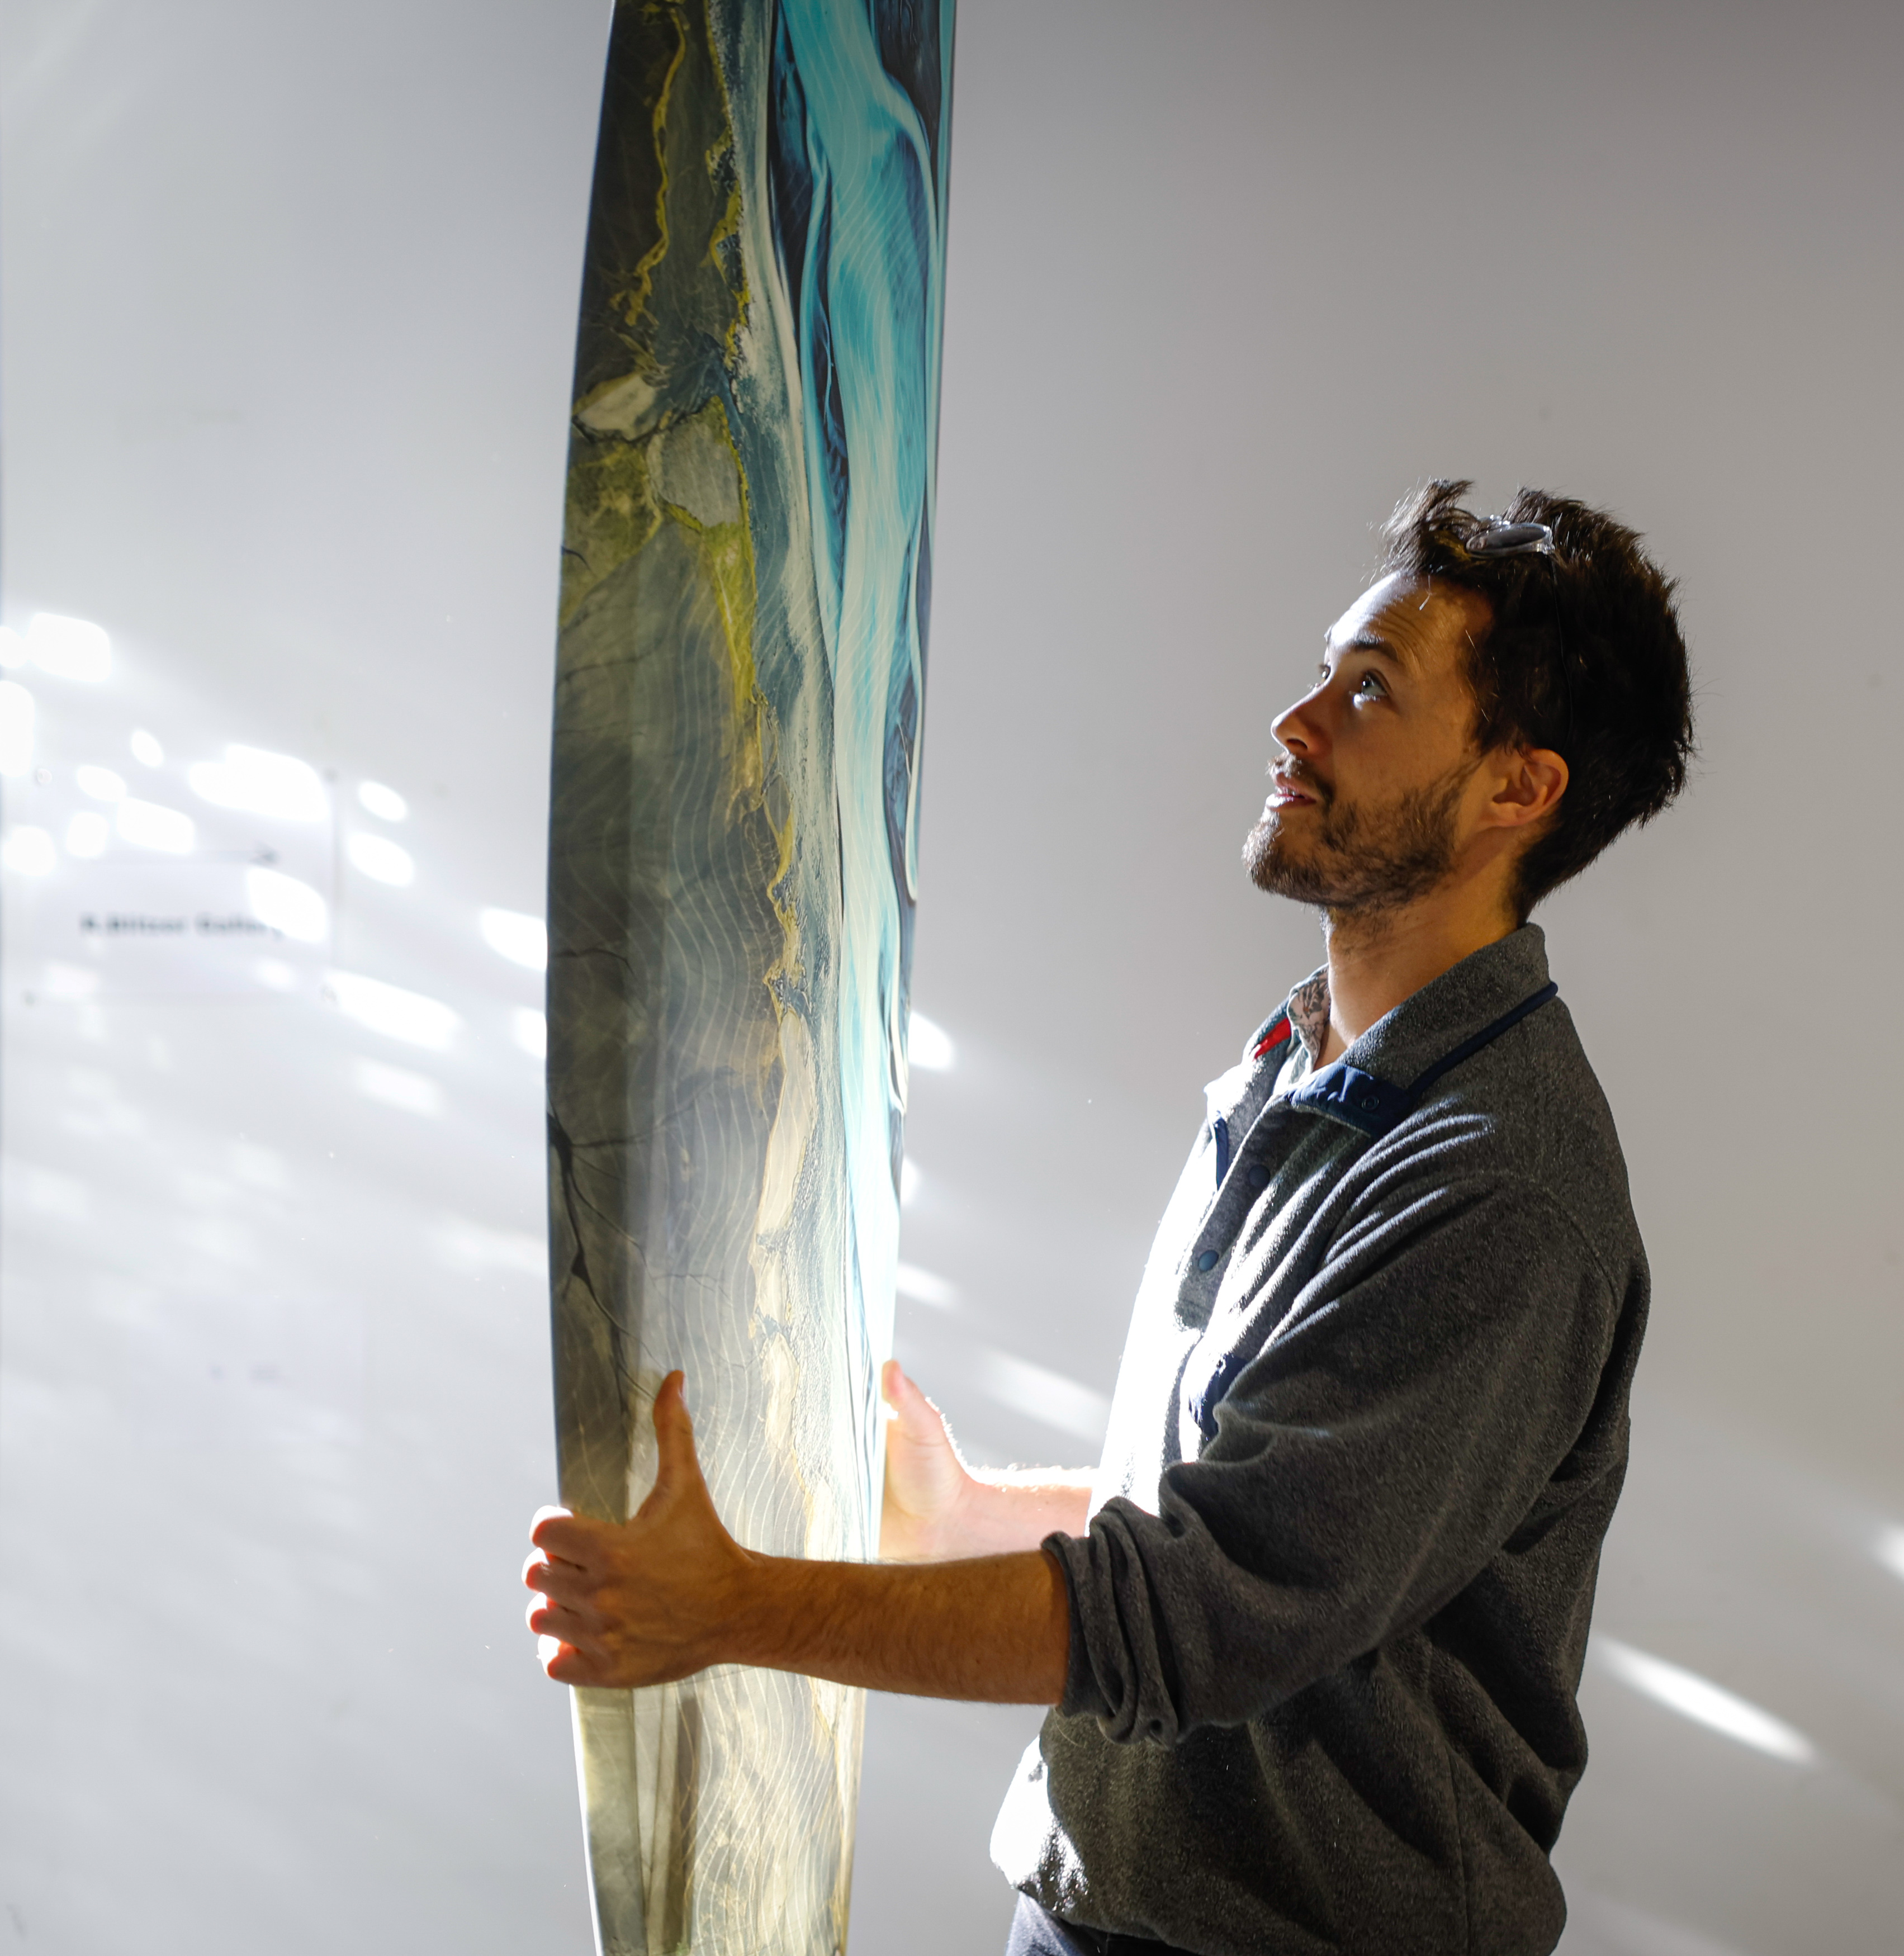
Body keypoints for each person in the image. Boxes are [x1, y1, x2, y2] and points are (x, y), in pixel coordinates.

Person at [523, 479, 1694, 1955]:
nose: (1296, 721)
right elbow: (1264, 1514)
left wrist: (733, 1607)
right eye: (1328, 669)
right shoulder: (1301, 1070)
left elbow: (1200, 1610)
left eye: (1372, 691)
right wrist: (966, 1518)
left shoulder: (1493, 1183)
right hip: (1098, 1920)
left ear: (1517, 789)